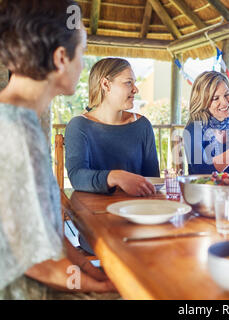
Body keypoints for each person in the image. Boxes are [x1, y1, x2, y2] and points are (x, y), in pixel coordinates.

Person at [0, 0, 117, 299]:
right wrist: (103, 286)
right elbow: (37, 263)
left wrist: (82, 263)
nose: (83, 63)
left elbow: (38, 223)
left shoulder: (16, 118)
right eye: (83, 52)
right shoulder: (16, 133)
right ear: (61, 57)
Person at [65, 58, 160, 197]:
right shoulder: (79, 126)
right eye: (128, 82)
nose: (136, 89)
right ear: (106, 84)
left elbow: (153, 179)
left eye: (134, 82)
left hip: (138, 210)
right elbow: (77, 177)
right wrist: (116, 177)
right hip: (94, 213)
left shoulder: (142, 125)